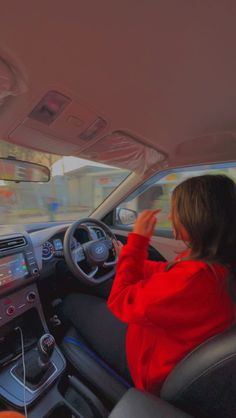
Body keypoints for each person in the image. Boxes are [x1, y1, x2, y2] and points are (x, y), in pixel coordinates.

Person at [63, 174, 236, 395]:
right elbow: (169, 273)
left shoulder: (193, 280)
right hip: (164, 339)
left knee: (72, 301)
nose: (171, 216)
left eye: (176, 210)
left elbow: (120, 301)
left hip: (147, 365)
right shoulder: (217, 266)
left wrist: (138, 241)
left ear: (195, 218)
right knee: (99, 287)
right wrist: (128, 255)